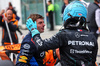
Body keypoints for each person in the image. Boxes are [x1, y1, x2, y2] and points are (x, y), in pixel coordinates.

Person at [26, 1, 98, 66]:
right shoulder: (92, 37)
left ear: (67, 15)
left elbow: (41, 45)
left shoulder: (63, 34)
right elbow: (93, 60)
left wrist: (34, 31)